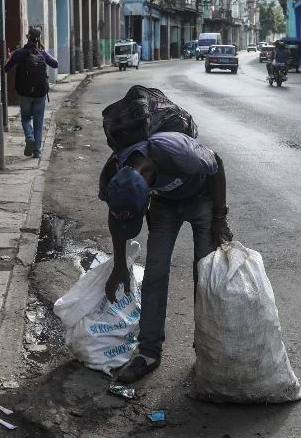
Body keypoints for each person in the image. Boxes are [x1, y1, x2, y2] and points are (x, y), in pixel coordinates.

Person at [99, 131, 233, 384]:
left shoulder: (178, 153)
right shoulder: (113, 175)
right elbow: (117, 216)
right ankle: (149, 353)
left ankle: (207, 353)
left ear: (148, 183)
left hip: (202, 199)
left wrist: (219, 218)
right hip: (164, 206)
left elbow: (217, 164)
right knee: (154, 273)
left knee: (204, 276)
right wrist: (119, 267)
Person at [4, 27, 58, 158]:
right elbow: (55, 64)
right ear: (39, 39)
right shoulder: (42, 53)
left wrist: (9, 57)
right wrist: (45, 53)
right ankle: (37, 151)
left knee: (26, 118)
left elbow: (6, 68)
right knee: (38, 121)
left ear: (28, 38)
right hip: (40, 93)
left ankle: (29, 136)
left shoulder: (19, 53)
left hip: (25, 93)